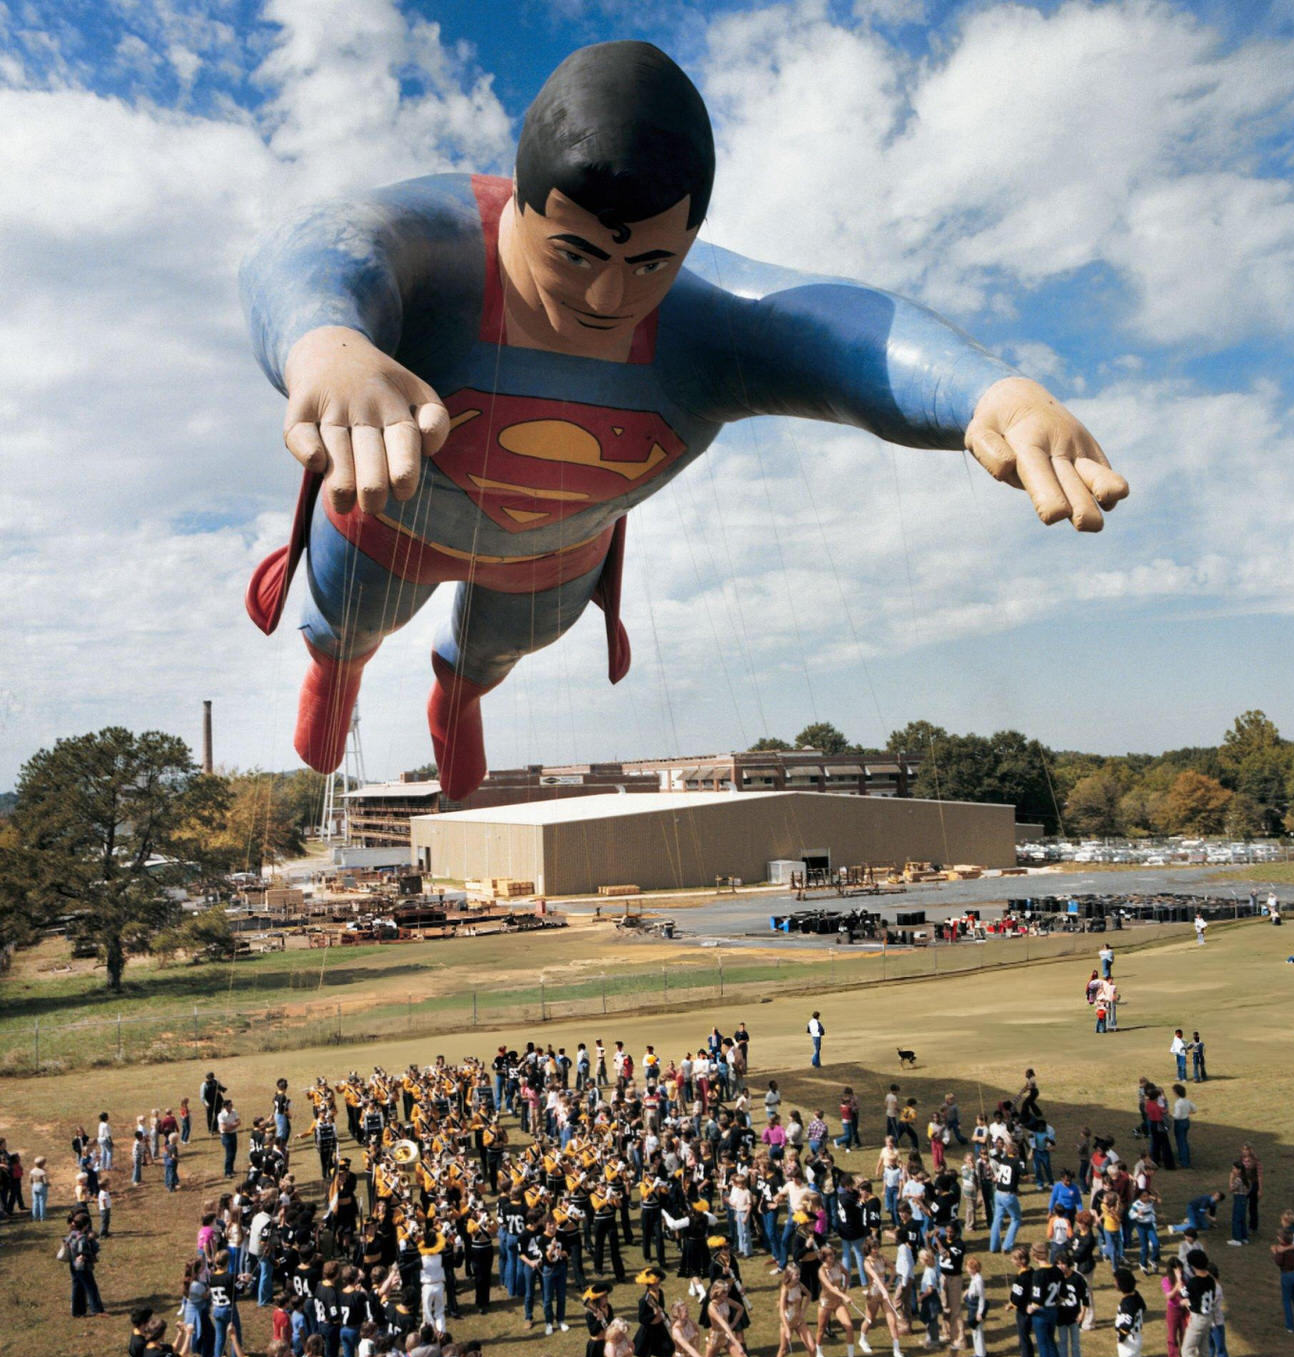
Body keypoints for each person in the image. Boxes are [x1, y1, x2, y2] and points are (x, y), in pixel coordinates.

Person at [240, 41, 1127, 796]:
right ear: (519, 204)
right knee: (348, 612)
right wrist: (327, 343)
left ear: (690, 242)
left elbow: (841, 329)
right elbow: (321, 245)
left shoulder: (709, 325)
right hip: (392, 515)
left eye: (652, 261)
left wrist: (990, 392)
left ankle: (461, 692)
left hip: (555, 549)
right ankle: (337, 668)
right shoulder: (432, 254)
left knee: (509, 639)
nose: (607, 292)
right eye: (575, 253)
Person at [1179, 1249, 1216, 1357]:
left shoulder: (1194, 1282)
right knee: (1205, 1350)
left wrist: (1186, 1300)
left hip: (1198, 1318)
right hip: (1208, 1316)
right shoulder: (1211, 1280)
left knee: (1187, 1350)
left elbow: (1185, 1294)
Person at [65, 1211, 106, 1317]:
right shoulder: (83, 1238)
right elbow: (83, 1252)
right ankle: (97, 1310)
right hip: (82, 1266)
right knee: (91, 1287)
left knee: (77, 1287)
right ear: (86, 1225)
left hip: (73, 1264)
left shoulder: (72, 1234)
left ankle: (77, 1311)